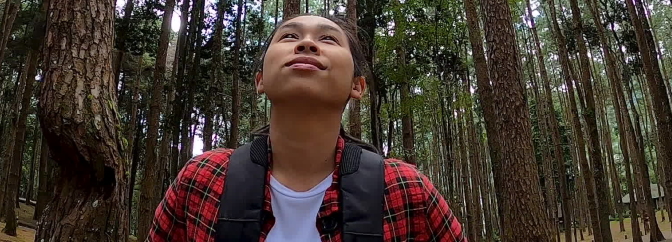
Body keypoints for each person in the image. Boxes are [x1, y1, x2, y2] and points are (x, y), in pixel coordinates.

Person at [147, 14, 467, 242]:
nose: (307, 45)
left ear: (357, 86)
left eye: (327, 39)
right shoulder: (202, 179)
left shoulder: (406, 190)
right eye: (290, 36)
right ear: (260, 81)